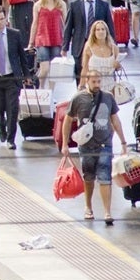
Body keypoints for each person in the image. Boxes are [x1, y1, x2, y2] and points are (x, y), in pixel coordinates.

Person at [58, 69, 129, 222]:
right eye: (93, 82)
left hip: (105, 144)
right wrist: (64, 144)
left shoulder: (108, 98)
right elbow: (68, 120)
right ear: (87, 81)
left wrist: (123, 141)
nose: (97, 85)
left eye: (99, 81)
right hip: (86, 145)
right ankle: (88, 206)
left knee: (104, 177)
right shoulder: (78, 98)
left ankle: (107, 212)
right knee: (88, 177)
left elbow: (115, 120)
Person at [61, 0, 112, 86]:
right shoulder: (75, 5)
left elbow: (110, 27)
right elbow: (68, 27)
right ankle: (82, 96)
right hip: (79, 45)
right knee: (81, 73)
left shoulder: (103, 5)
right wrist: (65, 47)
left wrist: (112, 45)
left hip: (98, 45)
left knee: (97, 74)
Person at [0, 6, 35, 148]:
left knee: (12, 108)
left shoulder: (14, 34)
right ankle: (1, 124)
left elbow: (22, 57)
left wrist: (27, 74)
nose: (0, 22)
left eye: (2, 19)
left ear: (6, 19)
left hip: (12, 77)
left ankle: (11, 139)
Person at [29, 0, 64, 88]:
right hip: (42, 38)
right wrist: (31, 42)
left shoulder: (61, 4)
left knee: (54, 69)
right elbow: (35, 23)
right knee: (45, 68)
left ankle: (51, 92)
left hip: (56, 38)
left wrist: (66, 41)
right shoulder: (38, 5)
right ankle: (40, 88)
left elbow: (65, 23)